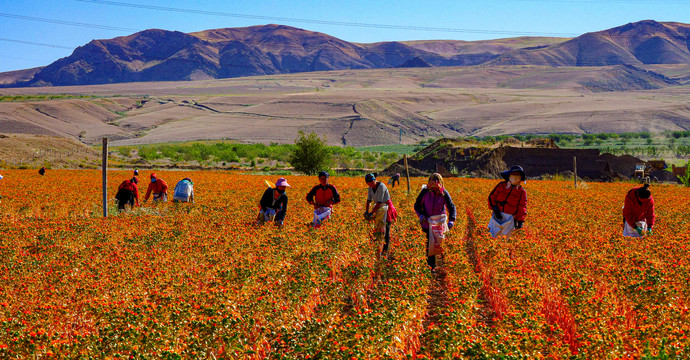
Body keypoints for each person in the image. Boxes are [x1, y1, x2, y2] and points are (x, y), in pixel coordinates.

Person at [414, 173, 457, 270]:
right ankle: (431, 266)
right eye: (433, 187)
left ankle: (446, 264)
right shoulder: (425, 192)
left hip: (440, 223)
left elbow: (451, 207)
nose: (435, 189)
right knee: (430, 244)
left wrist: (451, 220)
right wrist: (421, 215)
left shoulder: (444, 193)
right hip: (427, 223)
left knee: (442, 242)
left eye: (436, 187)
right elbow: (417, 205)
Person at [487, 165, 527, 239]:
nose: (515, 178)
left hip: (510, 218)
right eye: (513, 175)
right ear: (509, 177)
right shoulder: (501, 185)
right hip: (497, 214)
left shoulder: (522, 192)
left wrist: (520, 221)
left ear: (520, 178)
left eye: (517, 176)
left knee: (505, 239)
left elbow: (522, 207)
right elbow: (491, 197)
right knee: (491, 236)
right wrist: (495, 208)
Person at [363, 173, 395, 256]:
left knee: (386, 229)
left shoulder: (381, 186)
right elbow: (368, 200)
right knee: (378, 228)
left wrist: (371, 213)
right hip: (378, 209)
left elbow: (379, 202)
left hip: (386, 208)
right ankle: (378, 247)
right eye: (369, 184)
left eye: (372, 183)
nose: (371, 185)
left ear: (375, 180)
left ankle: (385, 250)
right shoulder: (370, 188)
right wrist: (366, 211)